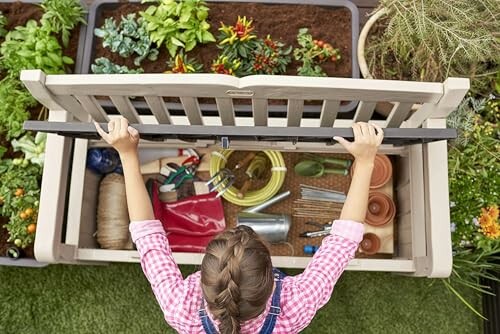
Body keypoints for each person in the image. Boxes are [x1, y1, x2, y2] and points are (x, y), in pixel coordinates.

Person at [95, 119, 384, 334]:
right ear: (271, 277)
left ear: (200, 281)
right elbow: (344, 240)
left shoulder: (181, 307)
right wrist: (367, 159)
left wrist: (126, 153)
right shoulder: (296, 305)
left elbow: (147, 235)